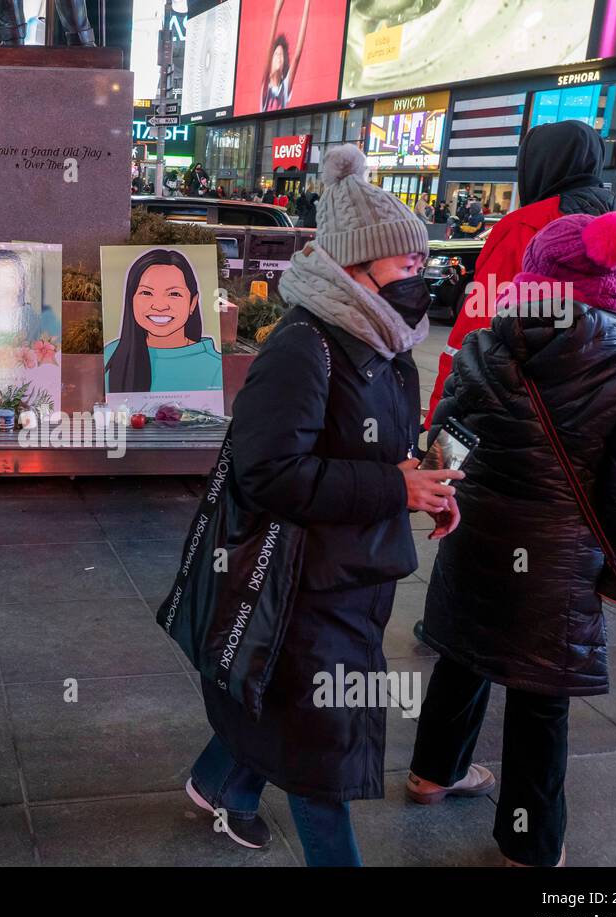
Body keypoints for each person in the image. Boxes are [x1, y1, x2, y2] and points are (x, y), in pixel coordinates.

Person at [186, 144, 455, 861]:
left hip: (355, 570)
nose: (419, 278)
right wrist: (392, 487)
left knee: (293, 711)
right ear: (356, 267)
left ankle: (224, 785)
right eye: (406, 264)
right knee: (325, 748)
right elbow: (269, 472)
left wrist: (416, 485)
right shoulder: (304, 346)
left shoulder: (384, 340)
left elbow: (366, 452)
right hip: (304, 583)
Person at [410, 211, 616, 867]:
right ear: (613, 281)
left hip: (475, 535)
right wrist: (609, 550)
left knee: (463, 654)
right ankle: (526, 844)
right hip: (559, 554)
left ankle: (432, 774)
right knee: (540, 695)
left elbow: (445, 443)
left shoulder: (485, 342)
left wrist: (451, 508)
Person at [425, 120, 616, 427]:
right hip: (603, 408)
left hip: (521, 411)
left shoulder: (525, 225)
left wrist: (439, 417)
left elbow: (477, 330)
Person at [103, 247, 222, 395]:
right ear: (130, 299)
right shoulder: (110, 355)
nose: (159, 306)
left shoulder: (215, 366)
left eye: (174, 293)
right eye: (146, 293)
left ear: (192, 303)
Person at [260, 0, 310, 111]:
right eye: (276, 54)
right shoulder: (265, 88)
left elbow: (297, 54)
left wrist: (307, 2)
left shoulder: (285, 88)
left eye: (281, 55)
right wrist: (276, 13)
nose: (279, 57)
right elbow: (269, 51)